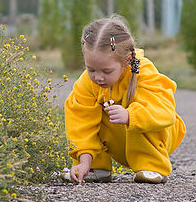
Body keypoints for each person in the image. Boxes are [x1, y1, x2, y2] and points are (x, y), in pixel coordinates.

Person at [62, 15, 186, 184]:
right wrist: (83, 160)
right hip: (118, 140)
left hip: (156, 139)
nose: (98, 77)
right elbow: (80, 122)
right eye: (91, 69)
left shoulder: (144, 72)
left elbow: (164, 112)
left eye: (106, 71)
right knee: (92, 115)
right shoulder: (86, 83)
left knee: (141, 117)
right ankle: (96, 167)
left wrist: (130, 116)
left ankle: (151, 166)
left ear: (127, 61)